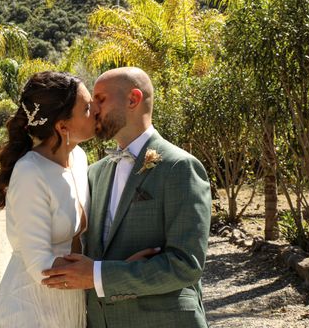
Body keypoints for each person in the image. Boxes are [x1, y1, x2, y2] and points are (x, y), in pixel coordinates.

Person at [42, 67, 211, 328]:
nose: (94, 109)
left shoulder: (180, 167)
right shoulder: (95, 173)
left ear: (133, 99)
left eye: (101, 99)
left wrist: (101, 275)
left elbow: (186, 265)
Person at [0, 71, 96, 328]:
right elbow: (41, 266)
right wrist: (104, 275)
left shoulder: (79, 159)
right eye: (88, 108)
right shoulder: (30, 172)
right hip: (30, 309)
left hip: (70, 303)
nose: (97, 112)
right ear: (62, 126)